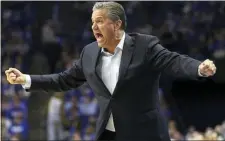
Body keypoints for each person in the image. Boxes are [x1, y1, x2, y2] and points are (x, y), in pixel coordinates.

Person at [5, 2, 216, 141]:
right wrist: (27, 78)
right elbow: (64, 80)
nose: (93, 27)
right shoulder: (88, 53)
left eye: (99, 21)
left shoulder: (145, 46)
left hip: (146, 133)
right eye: (92, 22)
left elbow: (173, 61)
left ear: (117, 25)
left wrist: (197, 67)